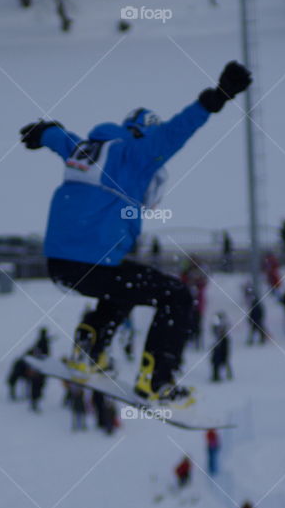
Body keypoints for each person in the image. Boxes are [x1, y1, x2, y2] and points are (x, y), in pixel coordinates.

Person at [22, 61, 252, 405]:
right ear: (142, 135)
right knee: (177, 296)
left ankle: (88, 350)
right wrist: (216, 97)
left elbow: (58, 137)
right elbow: (177, 131)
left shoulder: (83, 148)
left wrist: (42, 131)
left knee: (126, 286)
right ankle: (157, 381)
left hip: (60, 264)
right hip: (90, 263)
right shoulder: (135, 153)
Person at [210, 312, 233, 382]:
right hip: (218, 345)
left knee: (224, 359)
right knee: (217, 360)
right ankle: (216, 375)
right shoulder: (216, 326)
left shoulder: (225, 339)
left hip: (222, 345)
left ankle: (226, 374)